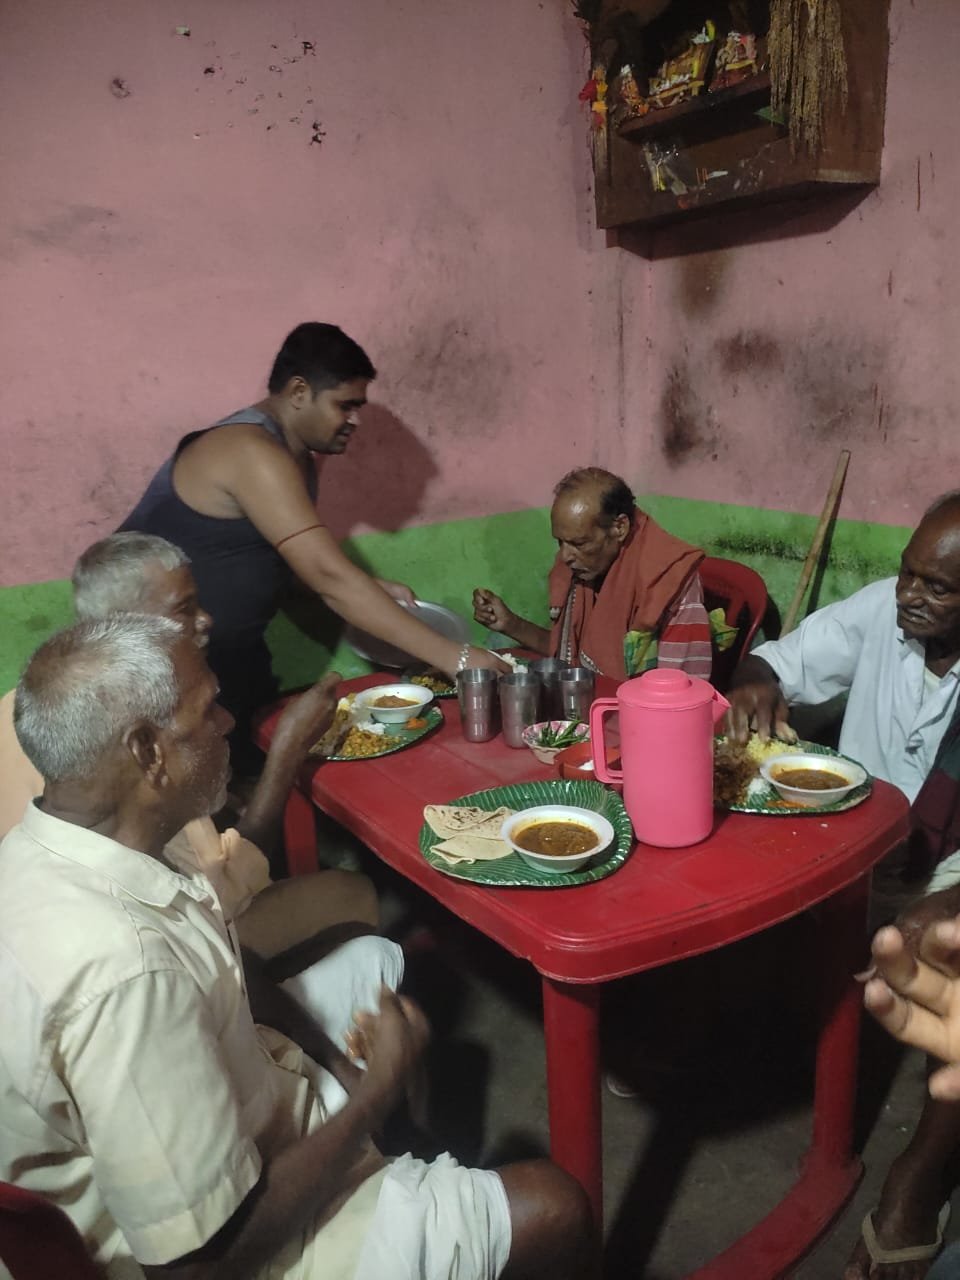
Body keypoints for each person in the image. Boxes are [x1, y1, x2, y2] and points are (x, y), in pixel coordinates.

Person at [0, 615, 592, 1279]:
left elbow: (225, 961)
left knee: (373, 959)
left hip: (248, 1104)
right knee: (556, 1205)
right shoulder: (124, 974)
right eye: (208, 709)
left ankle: (395, 1166)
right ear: (147, 752)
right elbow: (197, 1267)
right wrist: (375, 1091)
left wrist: (336, 1063)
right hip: (230, 1250)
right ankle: (388, 1188)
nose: (227, 722)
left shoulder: (74, 846)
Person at [0, 534, 405, 1100]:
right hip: (143, 955)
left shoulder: (32, 709)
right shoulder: (131, 748)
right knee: (356, 906)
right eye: (184, 608)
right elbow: (213, 906)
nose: (205, 620)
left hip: (66, 959)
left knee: (344, 907)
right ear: (126, 628)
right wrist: (283, 757)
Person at [725, 492, 960, 1279]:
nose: (908, 595)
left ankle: (919, 1179)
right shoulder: (883, 612)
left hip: (950, 865)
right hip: (852, 840)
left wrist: (950, 899)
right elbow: (778, 662)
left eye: (937, 586)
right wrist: (755, 681)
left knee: (944, 946)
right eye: (907, 572)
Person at [118, 323, 506, 765]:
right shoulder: (250, 450)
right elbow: (326, 576)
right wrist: (456, 658)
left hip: (227, 659)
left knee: (250, 776)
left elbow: (279, 565)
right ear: (299, 391)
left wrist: (373, 589)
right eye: (345, 405)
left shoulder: (294, 458)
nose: (355, 420)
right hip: (155, 670)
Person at [472, 467, 712, 680]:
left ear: (619, 527)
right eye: (560, 542)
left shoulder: (668, 582)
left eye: (579, 543)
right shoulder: (582, 570)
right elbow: (569, 657)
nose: (565, 556)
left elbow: (682, 693)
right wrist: (510, 624)